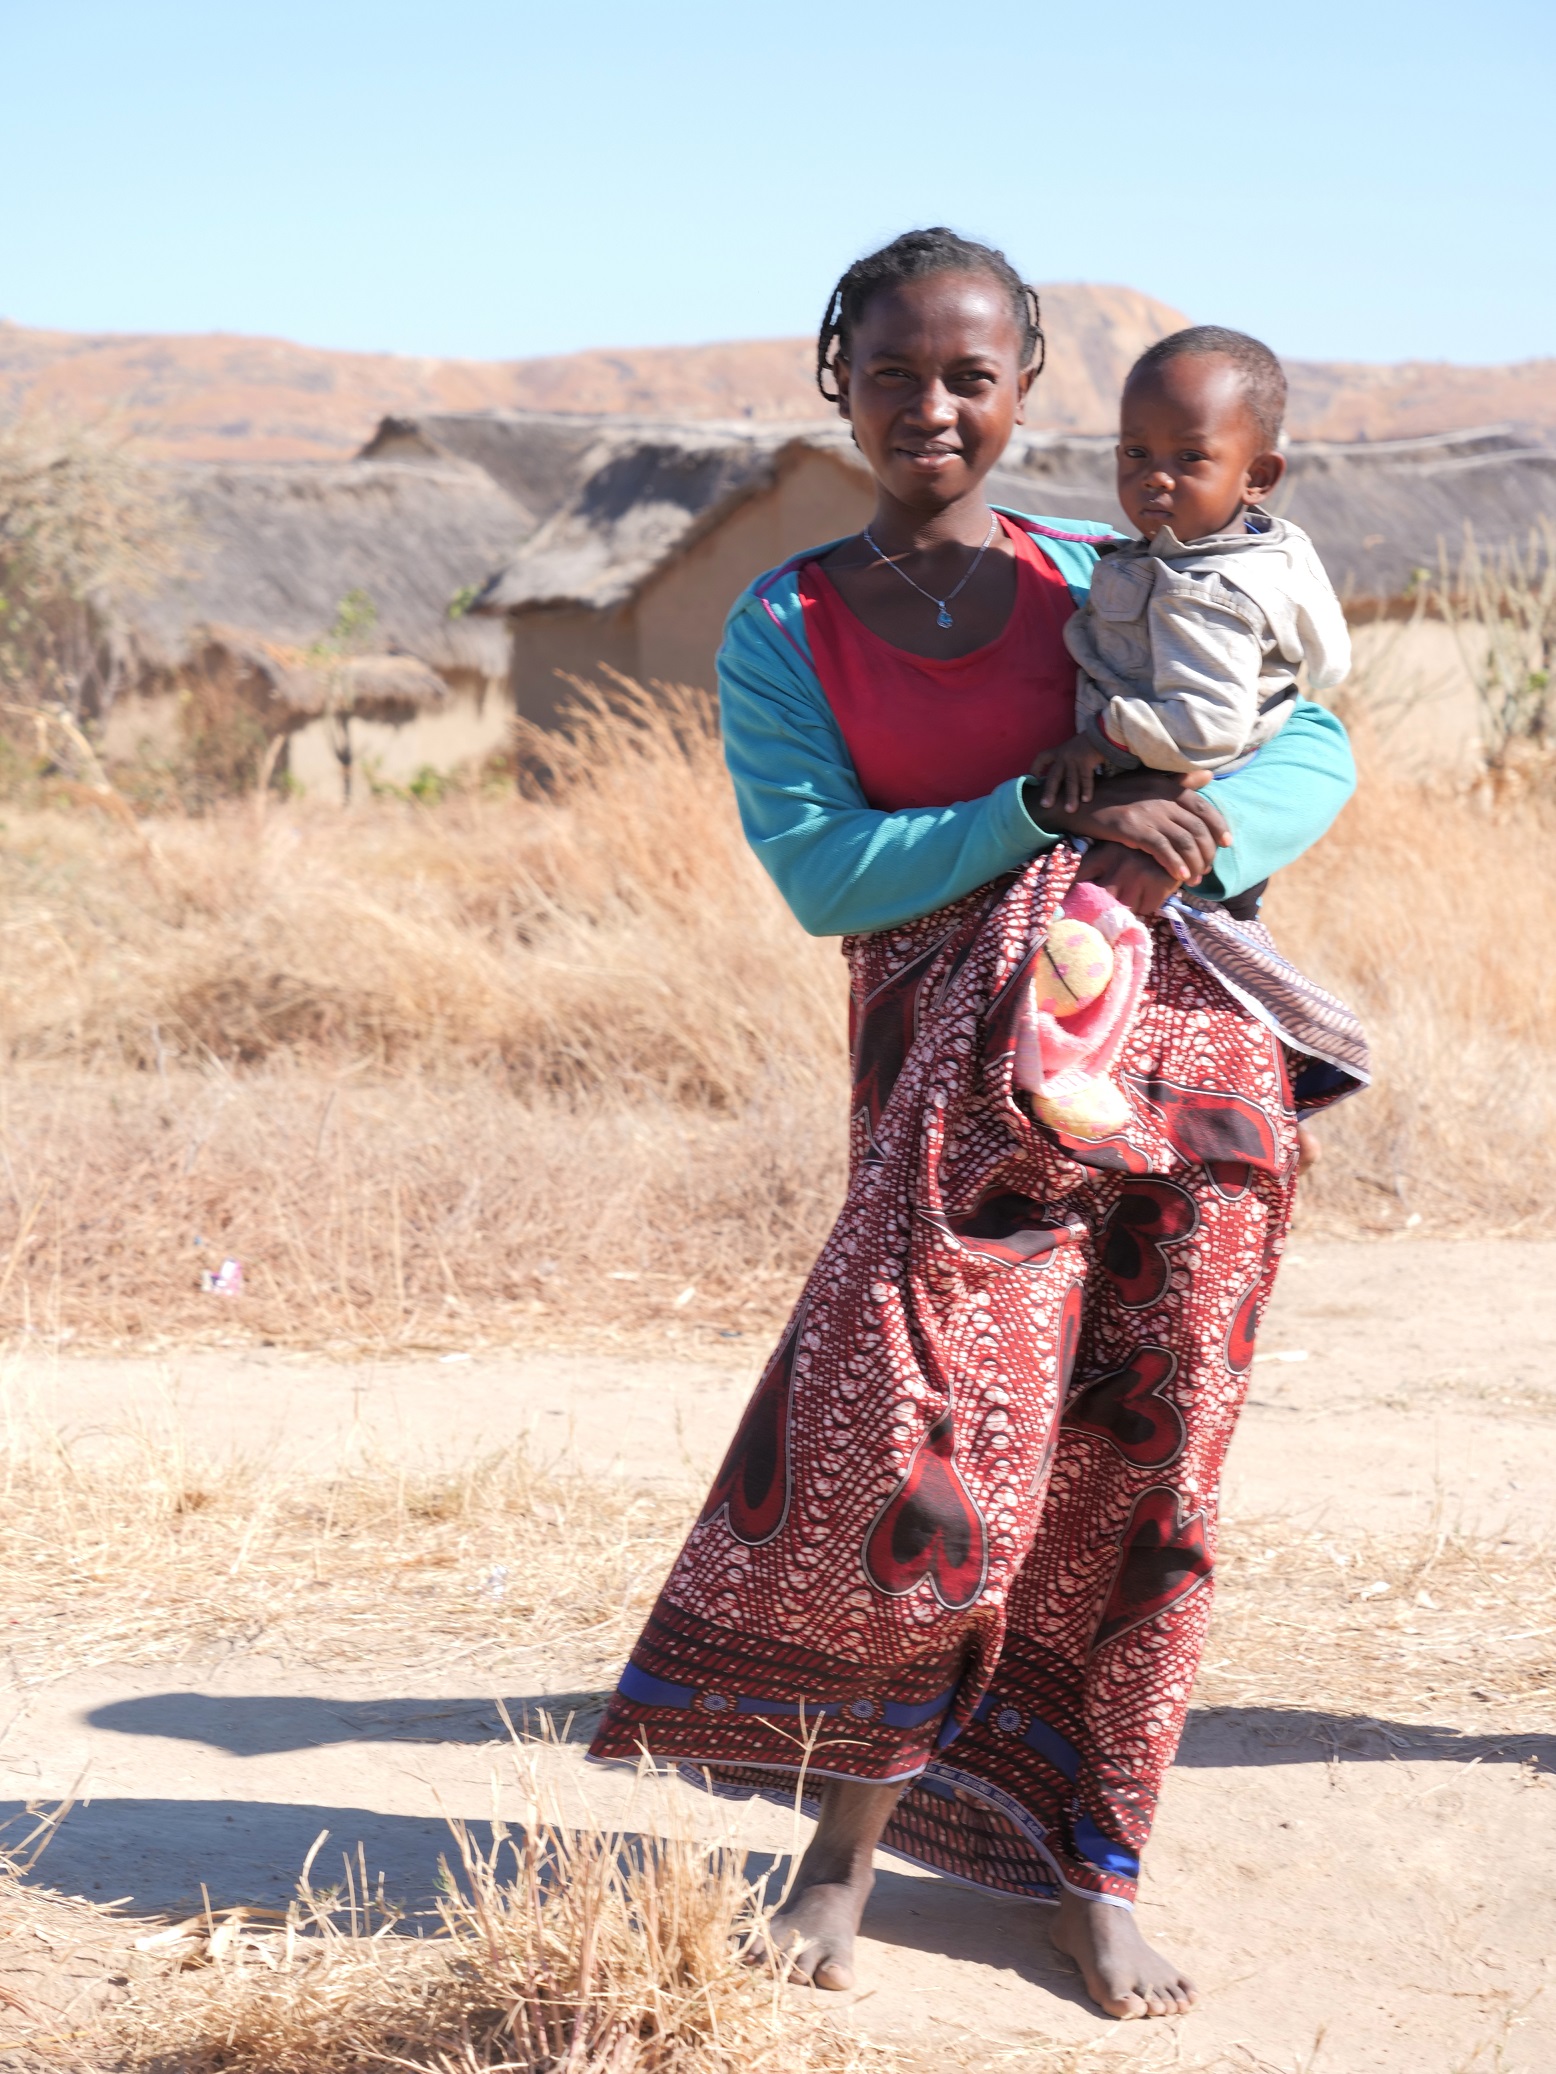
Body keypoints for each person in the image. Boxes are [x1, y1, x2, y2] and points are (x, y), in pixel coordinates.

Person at [589, 228, 1361, 2021]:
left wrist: (1191, 827)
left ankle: (1095, 1869)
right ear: (834, 380)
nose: (929, 406)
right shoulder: (786, 622)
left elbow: (1312, 741)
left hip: (1185, 1064)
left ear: (1023, 391)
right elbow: (822, 869)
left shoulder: (1119, 560)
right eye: (891, 370)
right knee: (931, 1449)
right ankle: (838, 1855)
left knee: (1154, 1467)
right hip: (951, 1091)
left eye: (969, 376)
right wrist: (1039, 805)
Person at [1032, 325, 1352, 812]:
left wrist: (1099, 740)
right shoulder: (1274, 549)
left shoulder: (1203, 593)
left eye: (1191, 457)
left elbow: (1208, 726)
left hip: (1175, 826)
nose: (1155, 476)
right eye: (1136, 453)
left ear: (1257, 477)